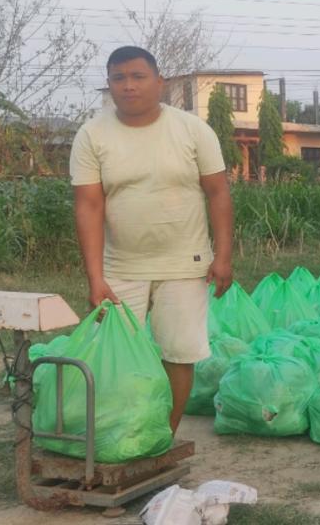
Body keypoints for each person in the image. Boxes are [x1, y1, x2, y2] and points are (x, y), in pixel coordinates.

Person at [70, 46, 234, 434]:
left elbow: (218, 193)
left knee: (179, 353)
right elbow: (89, 206)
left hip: (185, 263)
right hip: (120, 267)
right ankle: (121, 431)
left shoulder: (193, 130)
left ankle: (164, 434)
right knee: (113, 352)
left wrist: (223, 256)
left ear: (159, 82)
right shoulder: (92, 134)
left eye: (138, 77)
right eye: (118, 78)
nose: (128, 86)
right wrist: (96, 278)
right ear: (109, 85)